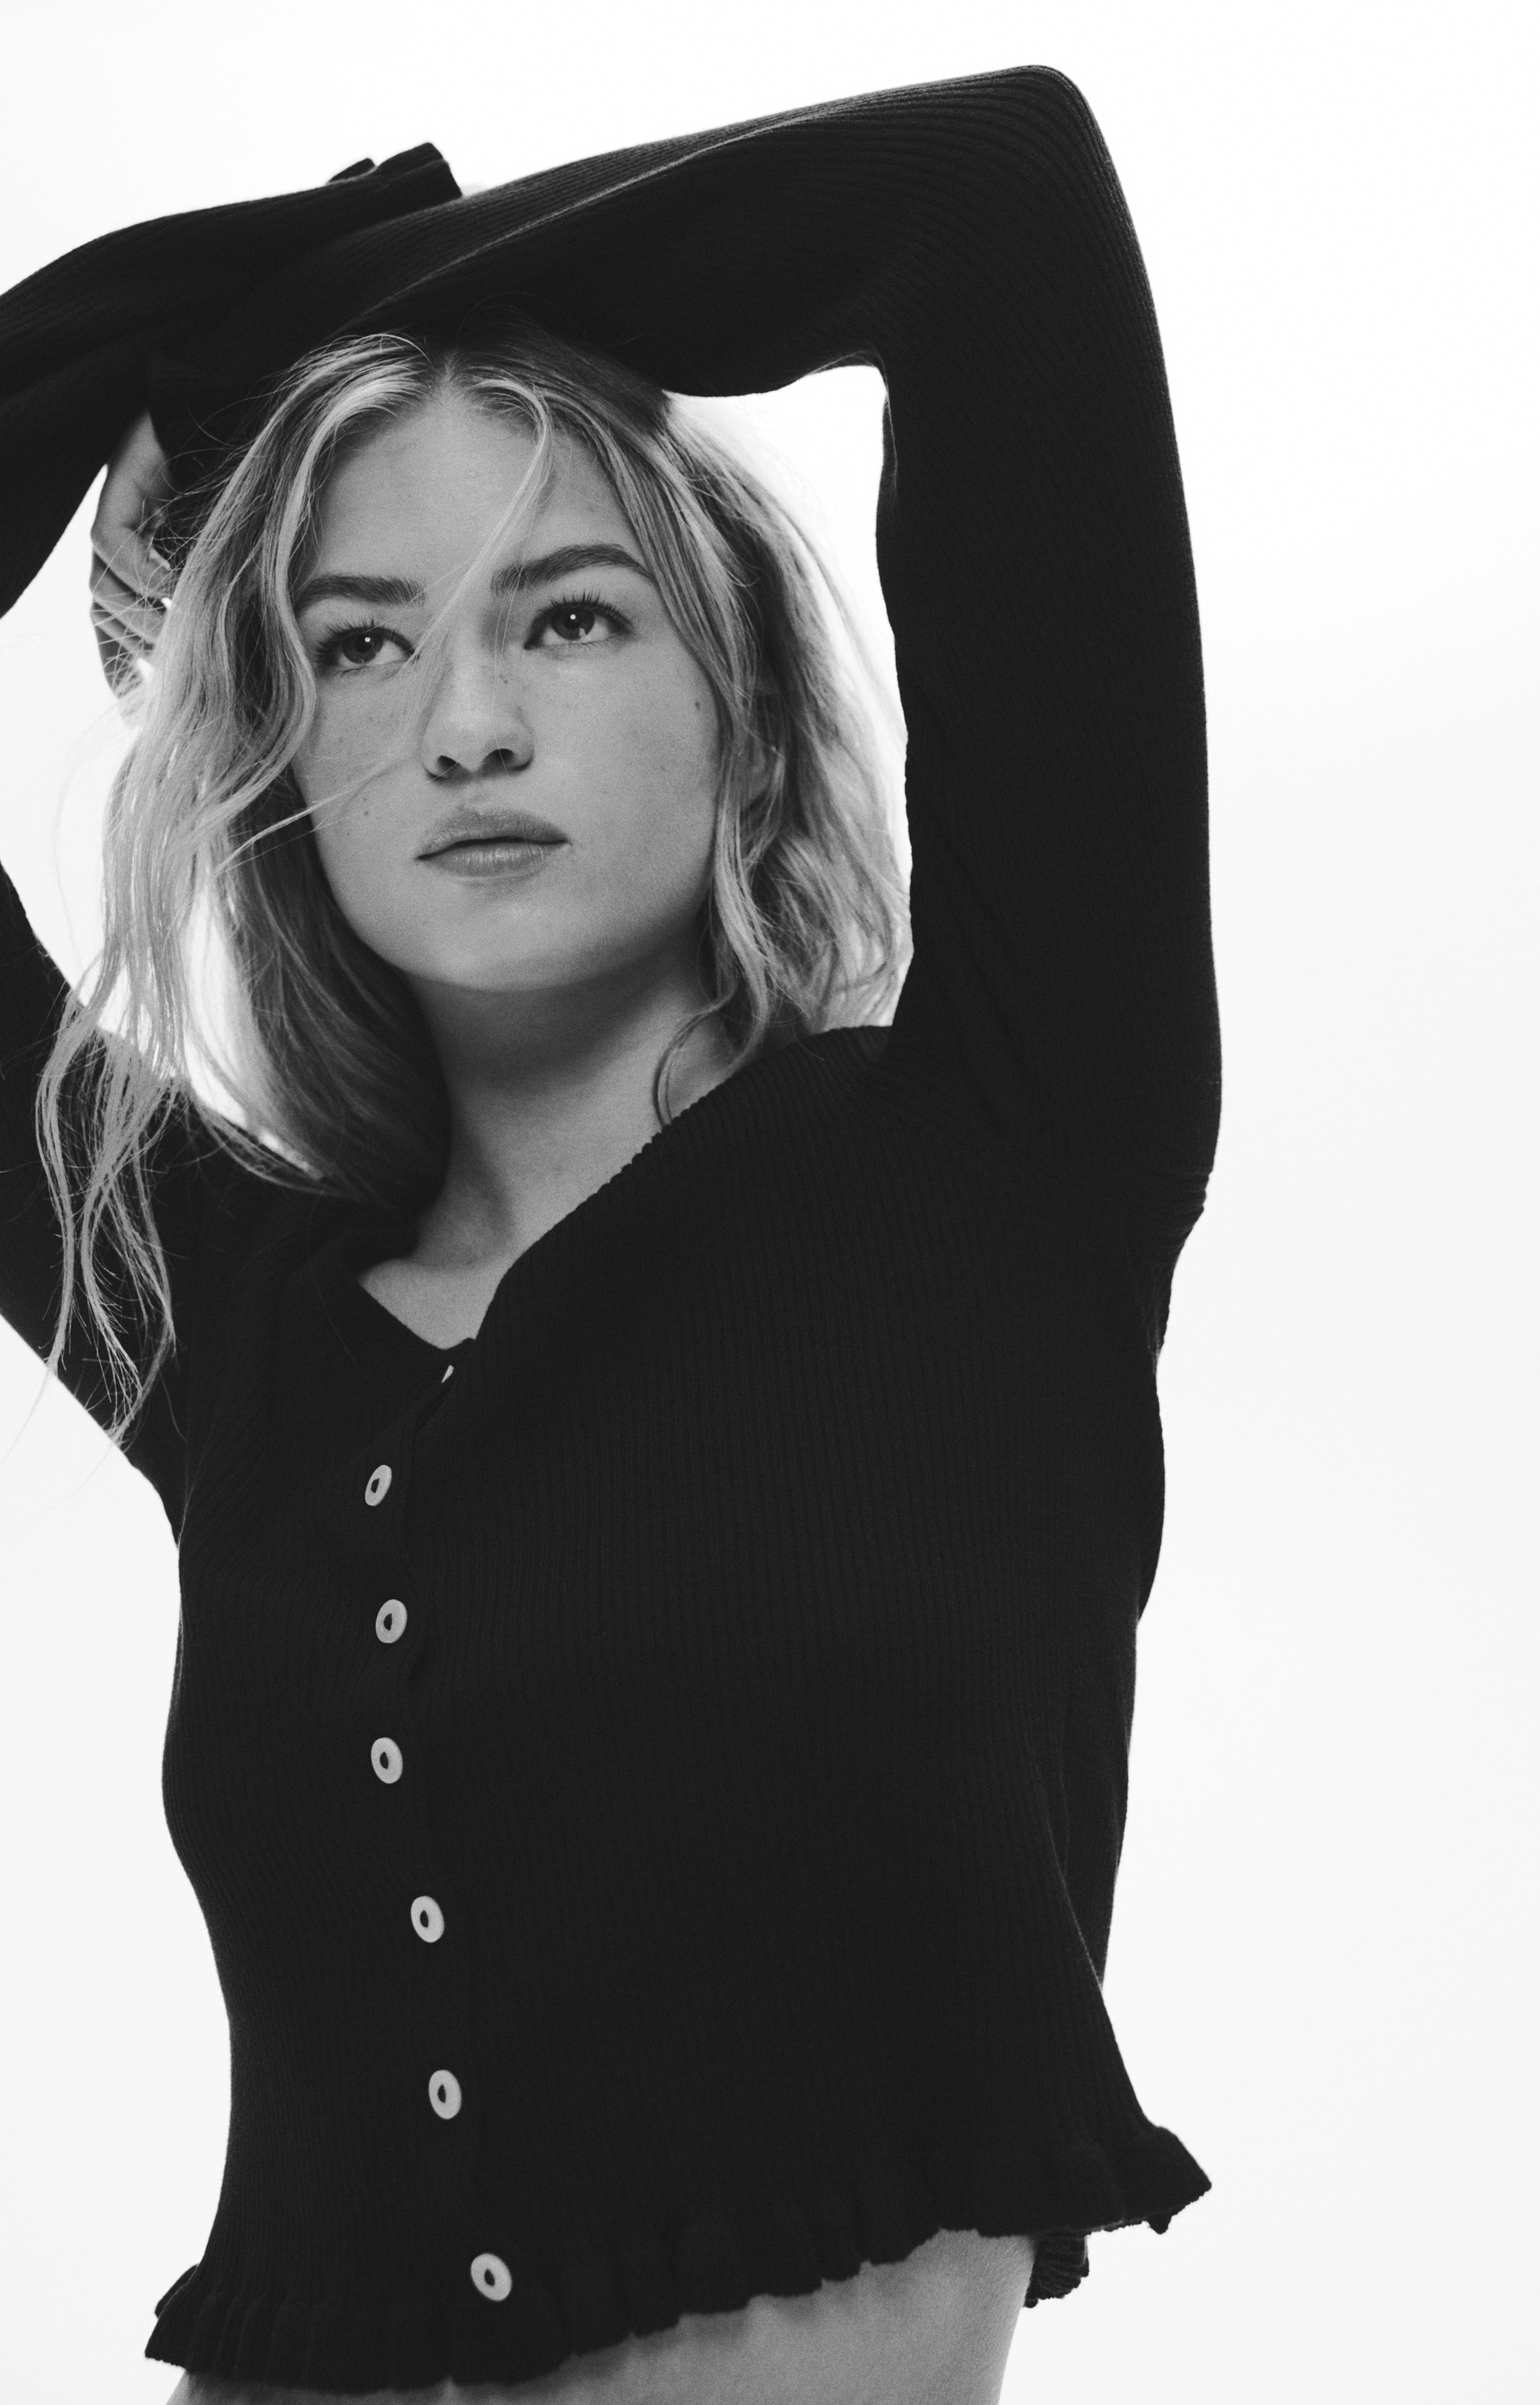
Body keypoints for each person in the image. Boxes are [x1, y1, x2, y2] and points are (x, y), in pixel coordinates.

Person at [0, 61, 1220, 2405]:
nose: (464, 722)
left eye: (565, 616)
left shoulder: (1007, 1153)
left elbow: (998, 197)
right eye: (360, 643)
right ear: (278, 764)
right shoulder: (230, 1330)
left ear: (741, 702)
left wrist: (340, 307)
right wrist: (177, 347)